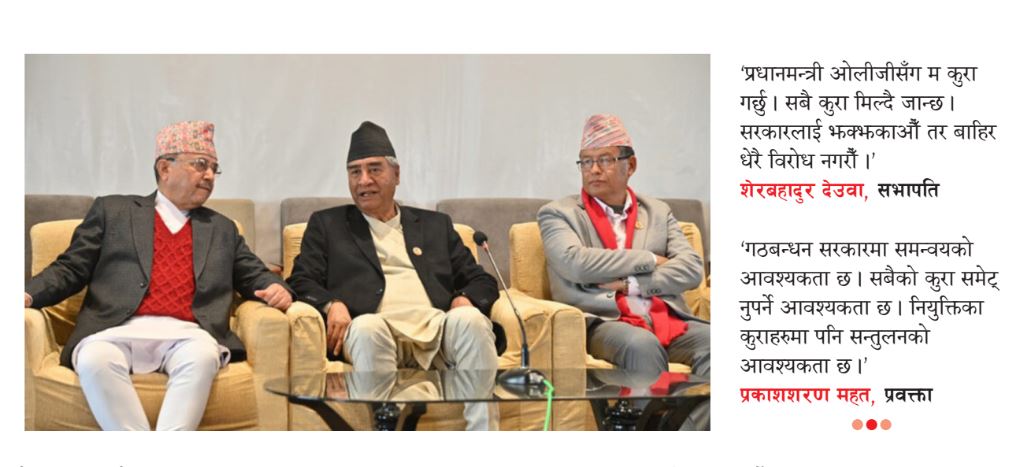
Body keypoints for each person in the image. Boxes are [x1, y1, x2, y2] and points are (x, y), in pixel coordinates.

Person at [24, 120, 293, 430]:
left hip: (188, 335)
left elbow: (254, 273)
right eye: (200, 165)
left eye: (214, 168)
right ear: (165, 168)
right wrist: (28, 294)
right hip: (115, 329)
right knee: (94, 359)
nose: (209, 175)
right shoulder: (113, 211)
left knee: (202, 357)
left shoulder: (222, 228)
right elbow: (71, 267)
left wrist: (276, 287)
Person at [287, 121, 502, 430]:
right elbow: (301, 279)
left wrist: (465, 298)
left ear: (396, 174)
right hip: (376, 329)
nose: (364, 180)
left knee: (471, 320)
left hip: (436, 331)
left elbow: (482, 281)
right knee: (366, 327)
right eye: (355, 172)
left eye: (374, 169)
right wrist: (331, 303)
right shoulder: (327, 225)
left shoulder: (435, 225)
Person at [538, 113, 710, 429]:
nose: (593, 169)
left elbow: (691, 270)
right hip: (605, 321)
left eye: (605, 159)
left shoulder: (657, 211)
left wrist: (629, 283)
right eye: (586, 161)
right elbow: (577, 264)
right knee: (642, 345)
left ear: (630, 165)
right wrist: (651, 259)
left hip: (665, 316)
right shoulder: (558, 214)